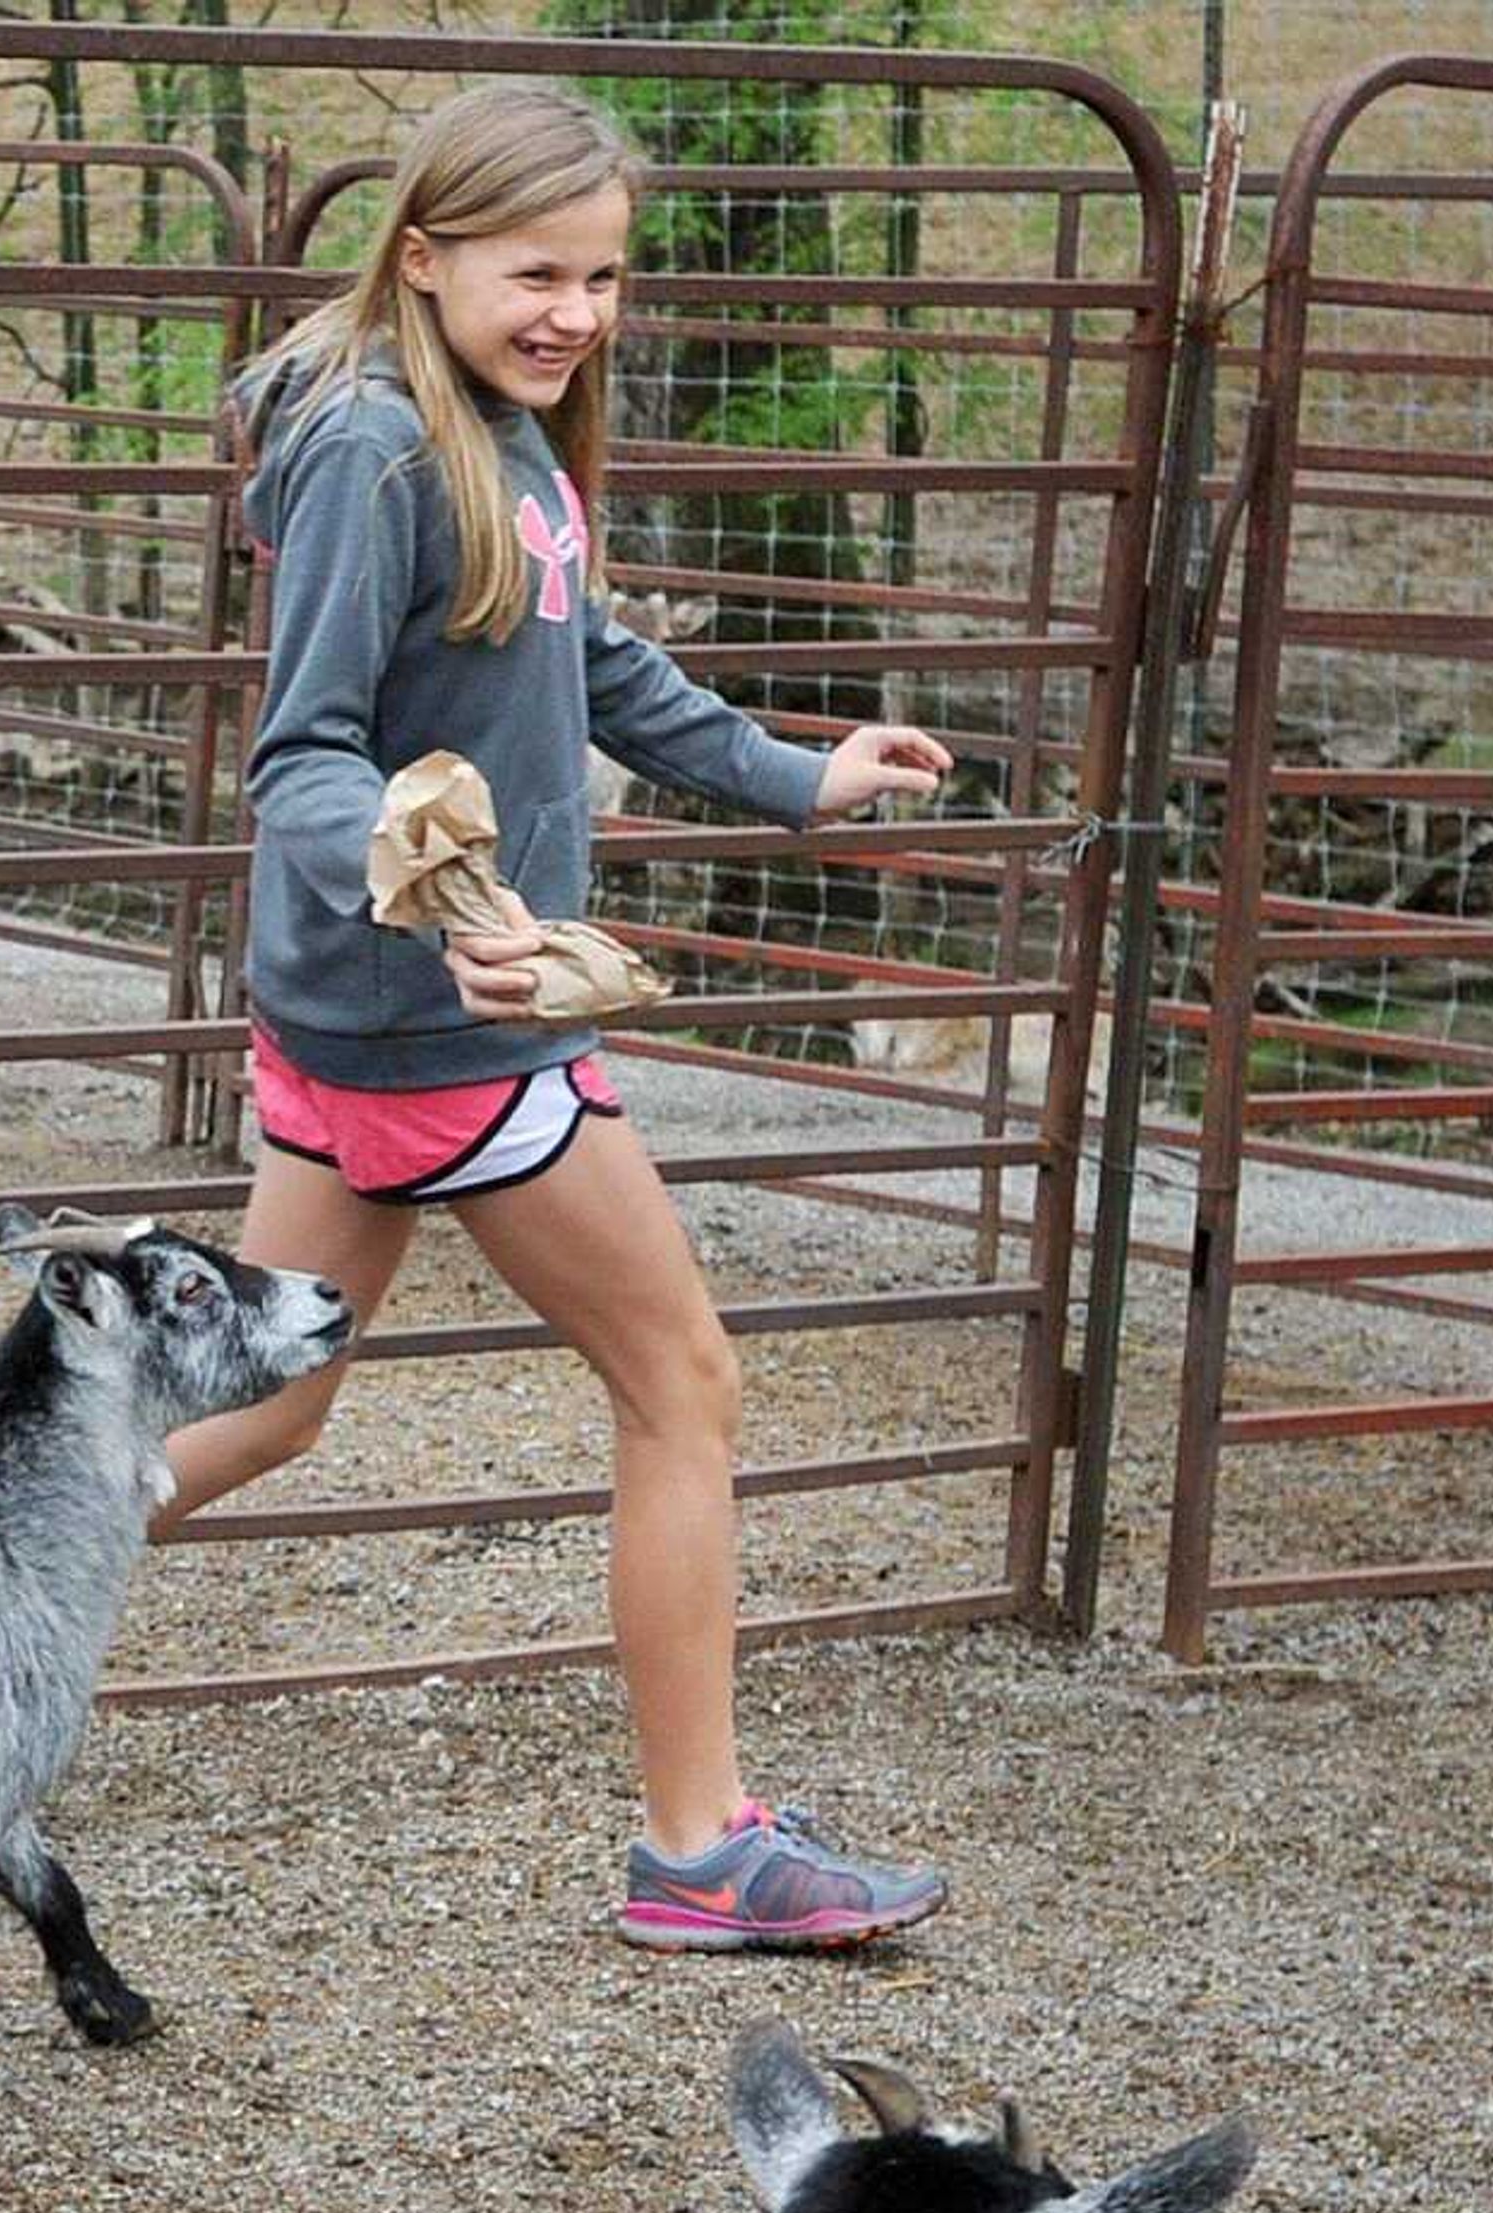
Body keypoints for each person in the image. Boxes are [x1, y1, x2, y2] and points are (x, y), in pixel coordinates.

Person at [157, 78, 955, 1953]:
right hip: (446, 1017)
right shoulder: (374, 452)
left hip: (384, 1014)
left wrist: (794, 774)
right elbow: (306, 757)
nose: (576, 312)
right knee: (684, 1385)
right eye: (537, 272)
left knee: (266, 1415)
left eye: (603, 277)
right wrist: (453, 910)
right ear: (422, 257)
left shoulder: (501, 437)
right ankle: (699, 1847)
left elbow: (591, 660)